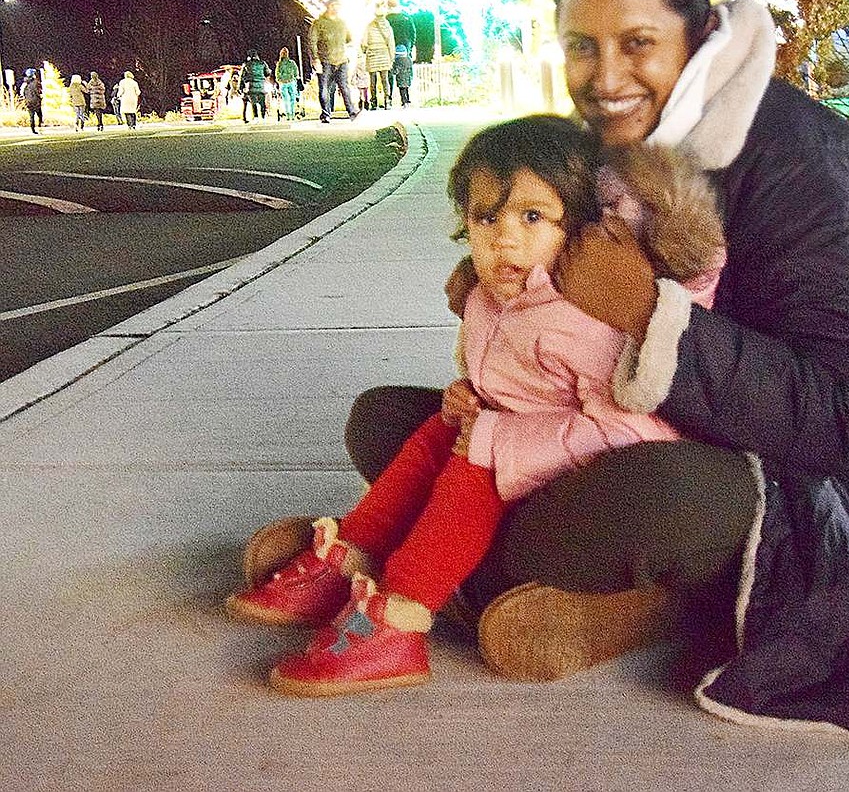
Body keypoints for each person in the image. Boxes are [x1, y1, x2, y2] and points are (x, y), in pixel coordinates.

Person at [246, 0, 849, 735]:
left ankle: (460, 574)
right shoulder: (623, 141)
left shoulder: (806, 162)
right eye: (582, 47)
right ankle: (488, 573)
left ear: (697, 31)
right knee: (392, 423)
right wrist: (502, 286)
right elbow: (566, 272)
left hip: (810, 484)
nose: (606, 76)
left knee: (635, 495)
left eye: (636, 42)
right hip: (604, 420)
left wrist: (653, 317)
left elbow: (848, 419)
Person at [227, 114, 727, 696]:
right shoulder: (495, 295)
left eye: (532, 217)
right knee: (426, 436)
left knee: (471, 468)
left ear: (582, 230)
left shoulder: (587, 320)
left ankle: (402, 616)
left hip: (597, 472)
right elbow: (509, 380)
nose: (503, 237)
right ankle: (354, 552)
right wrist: (471, 400)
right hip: (520, 440)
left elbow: (633, 429)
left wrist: (499, 439)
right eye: (486, 216)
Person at [307, 0, 359, 123]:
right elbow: (312, 41)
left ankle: (351, 111)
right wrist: (315, 59)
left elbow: (349, 38)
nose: (336, 8)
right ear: (328, 7)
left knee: (344, 87)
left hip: (341, 59)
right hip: (325, 60)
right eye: (334, 5)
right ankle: (326, 114)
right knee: (324, 87)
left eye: (338, 6)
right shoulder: (319, 23)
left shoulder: (342, 23)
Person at [361, 11, 395, 110]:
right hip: (384, 53)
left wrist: (364, 50)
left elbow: (364, 42)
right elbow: (391, 42)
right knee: (385, 79)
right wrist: (391, 57)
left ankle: (374, 101)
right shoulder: (387, 26)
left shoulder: (369, 26)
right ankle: (387, 100)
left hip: (372, 54)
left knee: (373, 79)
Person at [386, 0, 417, 107]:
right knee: (404, 74)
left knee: (389, 75)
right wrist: (410, 47)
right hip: (405, 50)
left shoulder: (386, 19)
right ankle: (405, 100)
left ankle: (388, 99)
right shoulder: (407, 17)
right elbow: (413, 34)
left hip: (390, 50)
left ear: (388, 6)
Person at [238, 51, 271, 122]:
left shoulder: (246, 64)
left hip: (251, 85)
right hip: (261, 84)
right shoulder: (262, 63)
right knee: (262, 101)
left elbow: (242, 76)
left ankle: (256, 117)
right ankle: (263, 116)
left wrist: (240, 87)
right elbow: (267, 73)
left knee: (253, 102)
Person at [275, 47, 299, 121]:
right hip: (291, 82)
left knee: (286, 99)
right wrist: (293, 78)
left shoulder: (279, 64)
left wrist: (280, 80)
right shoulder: (291, 63)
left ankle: (288, 114)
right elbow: (296, 72)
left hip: (283, 83)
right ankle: (292, 113)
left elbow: (277, 74)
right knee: (292, 98)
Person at [19, 68, 43, 134]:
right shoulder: (36, 82)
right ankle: (40, 127)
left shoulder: (24, 83)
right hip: (36, 101)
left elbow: (22, 93)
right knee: (39, 115)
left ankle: (33, 130)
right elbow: (39, 91)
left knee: (31, 117)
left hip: (28, 102)